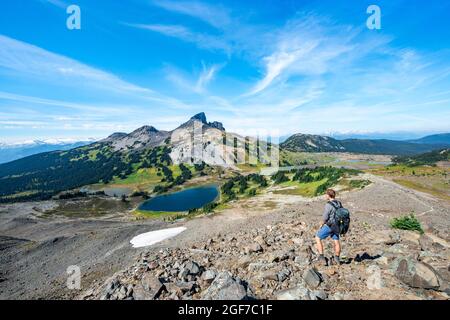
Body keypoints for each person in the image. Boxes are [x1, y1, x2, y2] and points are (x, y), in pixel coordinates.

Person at [315, 189, 342, 265]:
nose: (325, 196)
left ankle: (321, 257)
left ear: (328, 195)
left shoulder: (328, 205)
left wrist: (321, 225)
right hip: (337, 226)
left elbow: (325, 217)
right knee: (336, 241)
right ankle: (337, 258)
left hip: (330, 226)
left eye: (326, 194)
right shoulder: (339, 203)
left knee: (318, 237)